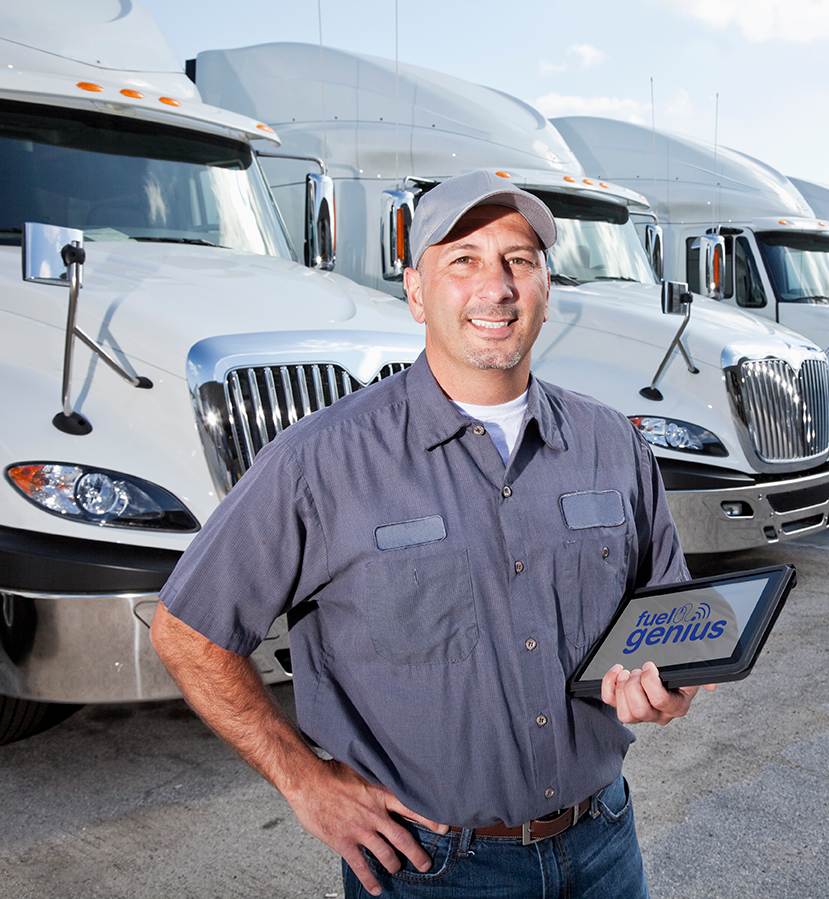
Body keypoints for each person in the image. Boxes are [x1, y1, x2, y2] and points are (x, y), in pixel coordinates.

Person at [150, 169, 711, 898]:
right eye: (464, 260)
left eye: (519, 260)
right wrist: (305, 782)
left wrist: (673, 685)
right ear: (416, 292)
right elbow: (187, 630)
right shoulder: (322, 461)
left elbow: (669, 623)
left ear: (547, 291)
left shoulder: (613, 444)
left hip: (603, 845)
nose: (496, 286)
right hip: (430, 871)